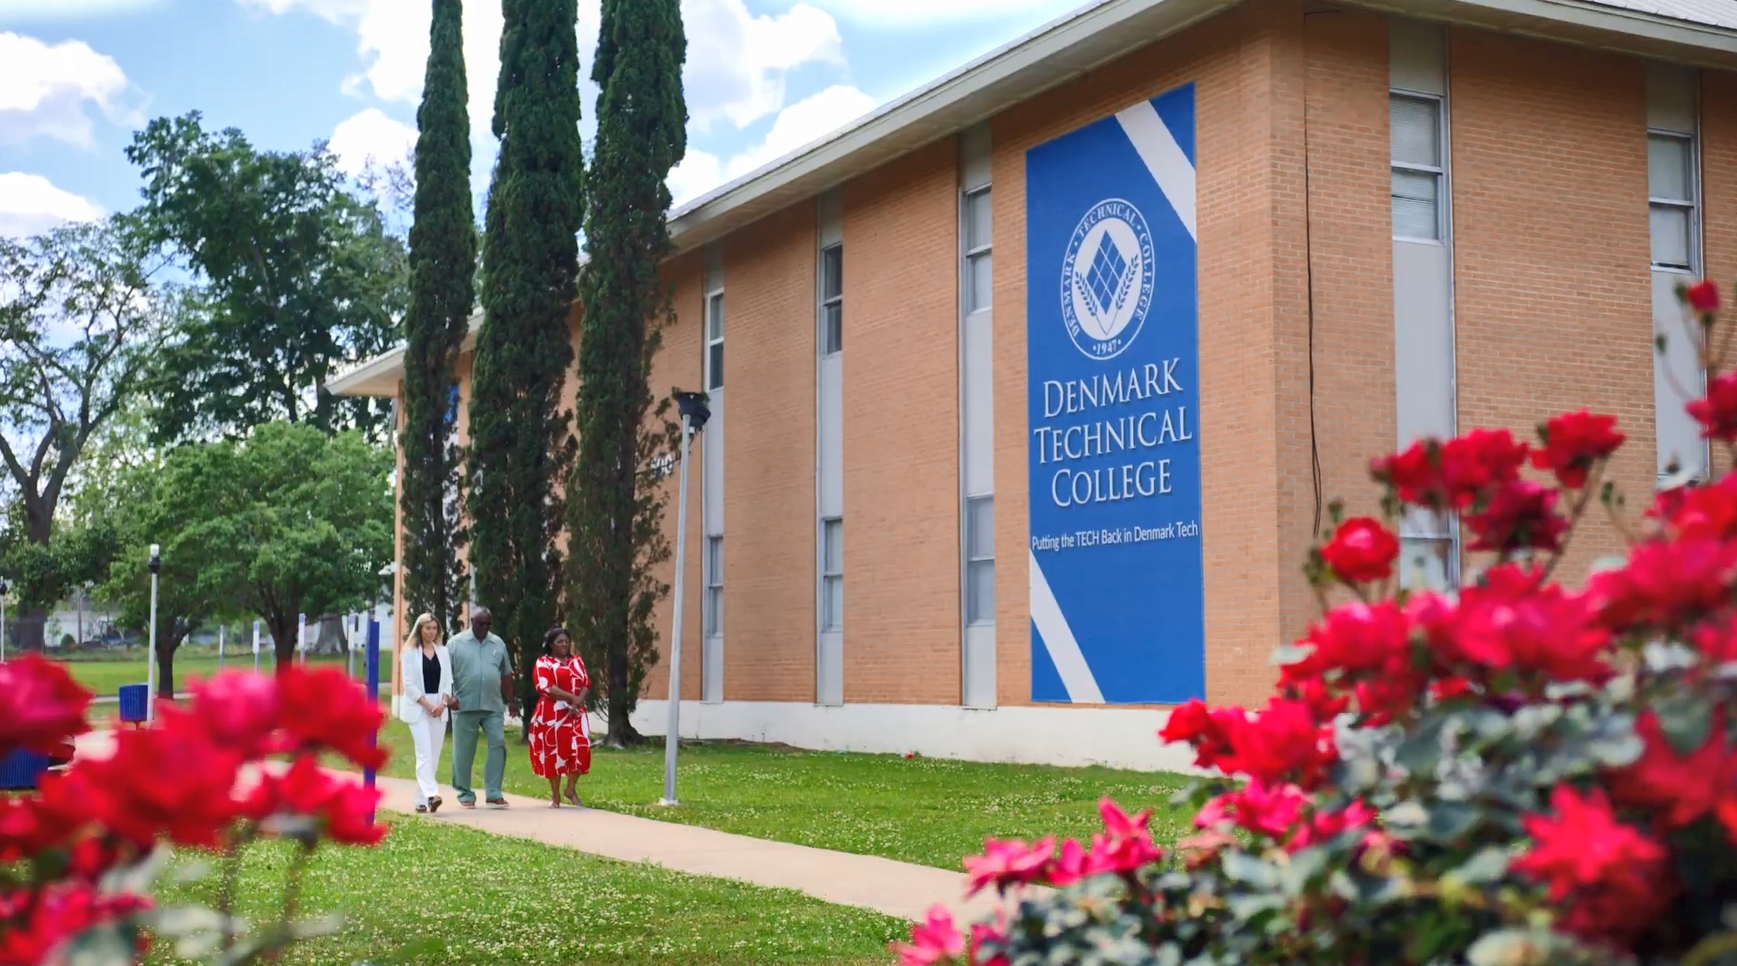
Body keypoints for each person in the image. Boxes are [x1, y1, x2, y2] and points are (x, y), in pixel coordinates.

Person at [447, 606, 517, 809]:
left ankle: (493, 792)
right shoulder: (455, 644)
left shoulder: (497, 643)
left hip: (492, 704)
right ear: (472, 622)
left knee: (498, 744)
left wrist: (511, 700)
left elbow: (506, 673)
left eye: (488, 624)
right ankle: (465, 793)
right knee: (463, 752)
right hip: (464, 704)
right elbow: (446, 674)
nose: (484, 627)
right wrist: (449, 697)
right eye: (481, 623)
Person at [398, 613, 456, 814]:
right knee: (424, 753)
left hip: (439, 708)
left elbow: (448, 681)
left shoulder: (443, 652)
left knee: (434, 755)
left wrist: (442, 703)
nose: (431, 632)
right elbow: (409, 685)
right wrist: (427, 704)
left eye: (434, 628)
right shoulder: (410, 653)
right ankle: (432, 794)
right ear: (420, 629)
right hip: (419, 707)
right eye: (427, 628)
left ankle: (421, 800)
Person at [528, 627, 592, 808]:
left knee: (581, 749)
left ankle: (570, 788)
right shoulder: (544, 662)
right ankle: (555, 796)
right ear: (550, 645)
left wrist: (578, 701)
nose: (565, 644)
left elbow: (586, 682)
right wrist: (571, 698)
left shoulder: (576, 661)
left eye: (567, 641)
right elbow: (546, 687)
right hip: (552, 714)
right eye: (560, 642)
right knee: (554, 753)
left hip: (576, 713)